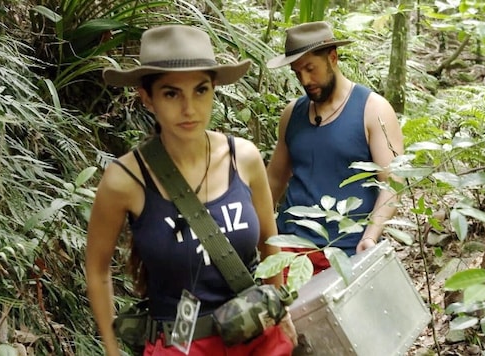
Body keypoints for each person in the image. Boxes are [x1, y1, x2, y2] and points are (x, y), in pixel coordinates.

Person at [85, 25, 296, 356]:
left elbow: (270, 244)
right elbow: (97, 271)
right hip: (179, 345)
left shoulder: (244, 158)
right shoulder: (124, 179)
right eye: (171, 93)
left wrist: (282, 311)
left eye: (201, 90)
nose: (189, 108)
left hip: (257, 336)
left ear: (214, 89)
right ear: (147, 97)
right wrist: (112, 350)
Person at [266, 21, 404, 273]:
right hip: (290, 248)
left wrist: (371, 236)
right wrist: (258, 235)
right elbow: (274, 180)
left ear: (333, 58)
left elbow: (392, 182)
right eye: (297, 73)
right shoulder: (292, 114)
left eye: (310, 68)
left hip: (348, 250)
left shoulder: (373, 109)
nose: (305, 80)